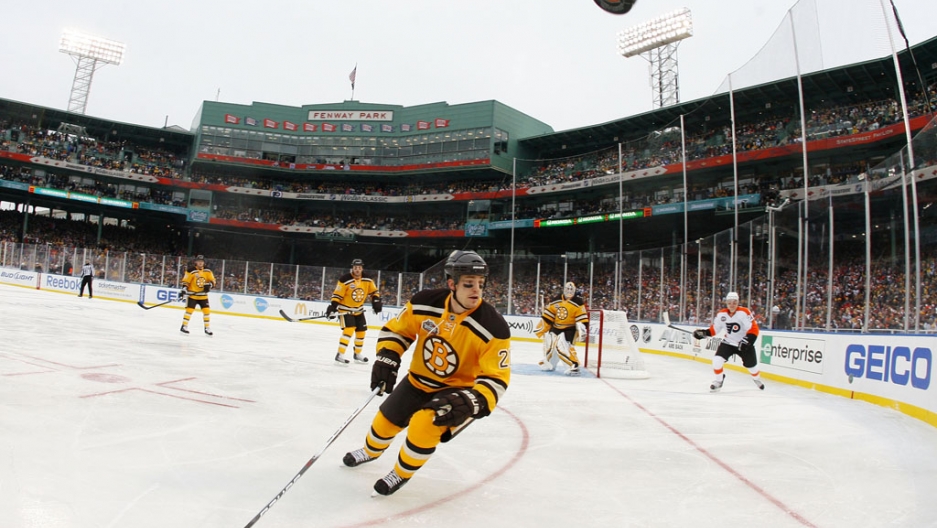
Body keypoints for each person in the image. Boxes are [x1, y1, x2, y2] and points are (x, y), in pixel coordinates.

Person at [342, 250, 511, 496]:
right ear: (452, 284)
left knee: (424, 426)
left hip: (456, 393)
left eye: (480, 284)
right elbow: (398, 330)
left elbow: (497, 378)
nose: (477, 290)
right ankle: (370, 451)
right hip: (417, 380)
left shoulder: (494, 326)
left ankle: (400, 474)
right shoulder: (425, 302)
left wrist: (474, 401)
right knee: (385, 421)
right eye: (468, 284)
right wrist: (388, 355)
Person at [693, 292, 764, 392]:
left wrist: (748, 341)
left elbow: (754, 329)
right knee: (717, 360)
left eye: (734, 302)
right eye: (729, 302)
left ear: (738, 302)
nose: (732, 305)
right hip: (728, 342)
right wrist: (703, 333)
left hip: (744, 344)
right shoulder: (721, 314)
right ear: (726, 303)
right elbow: (714, 330)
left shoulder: (744, 312)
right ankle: (719, 381)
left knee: (752, 367)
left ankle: (756, 379)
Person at [326, 259, 382, 364]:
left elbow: (374, 292)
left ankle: (357, 354)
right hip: (345, 310)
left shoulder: (368, 279)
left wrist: (376, 301)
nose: (357, 270)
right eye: (355, 268)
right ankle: (340, 354)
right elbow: (337, 295)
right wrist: (333, 307)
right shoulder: (345, 279)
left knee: (361, 332)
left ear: (362, 268)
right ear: (352, 268)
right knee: (349, 330)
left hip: (359, 310)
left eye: (359, 268)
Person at [535, 281, 588, 375]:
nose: (569, 291)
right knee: (550, 345)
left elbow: (582, 318)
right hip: (556, 327)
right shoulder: (556, 299)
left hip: (569, 329)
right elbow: (549, 315)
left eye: (571, 289)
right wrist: (542, 327)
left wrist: (582, 328)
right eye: (568, 289)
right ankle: (549, 364)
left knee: (563, 346)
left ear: (574, 290)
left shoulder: (578, 302)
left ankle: (573, 366)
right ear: (564, 289)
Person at [179, 255, 217, 336]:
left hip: (203, 296)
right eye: (199, 261)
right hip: (192, 295)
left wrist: (210, 285)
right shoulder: (191, 271)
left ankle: (207, 328)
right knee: (189, 310)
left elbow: (213, 281)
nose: (200, 263)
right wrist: (184, 289)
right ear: (196, 262)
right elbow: (185, 281)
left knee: (206, 311)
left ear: (204, 262)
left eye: (202, 261)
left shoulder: (208, 271)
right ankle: (184, 326)